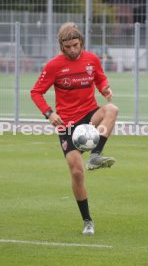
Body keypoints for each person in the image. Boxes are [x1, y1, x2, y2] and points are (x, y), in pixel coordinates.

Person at [30, 22, 118, 235]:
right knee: (77, 172)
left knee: (111, 109)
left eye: (76, 45)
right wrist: (49, 114)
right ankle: (87, 221)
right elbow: (36, 92)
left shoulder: (92, 59)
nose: (72, 50)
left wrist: (104, 88)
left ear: (81, 43)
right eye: (68, 47)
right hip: (67, 124)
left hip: (89, 114)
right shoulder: (53, 66)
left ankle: (96, 155)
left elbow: (99, 77)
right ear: (61, 46)